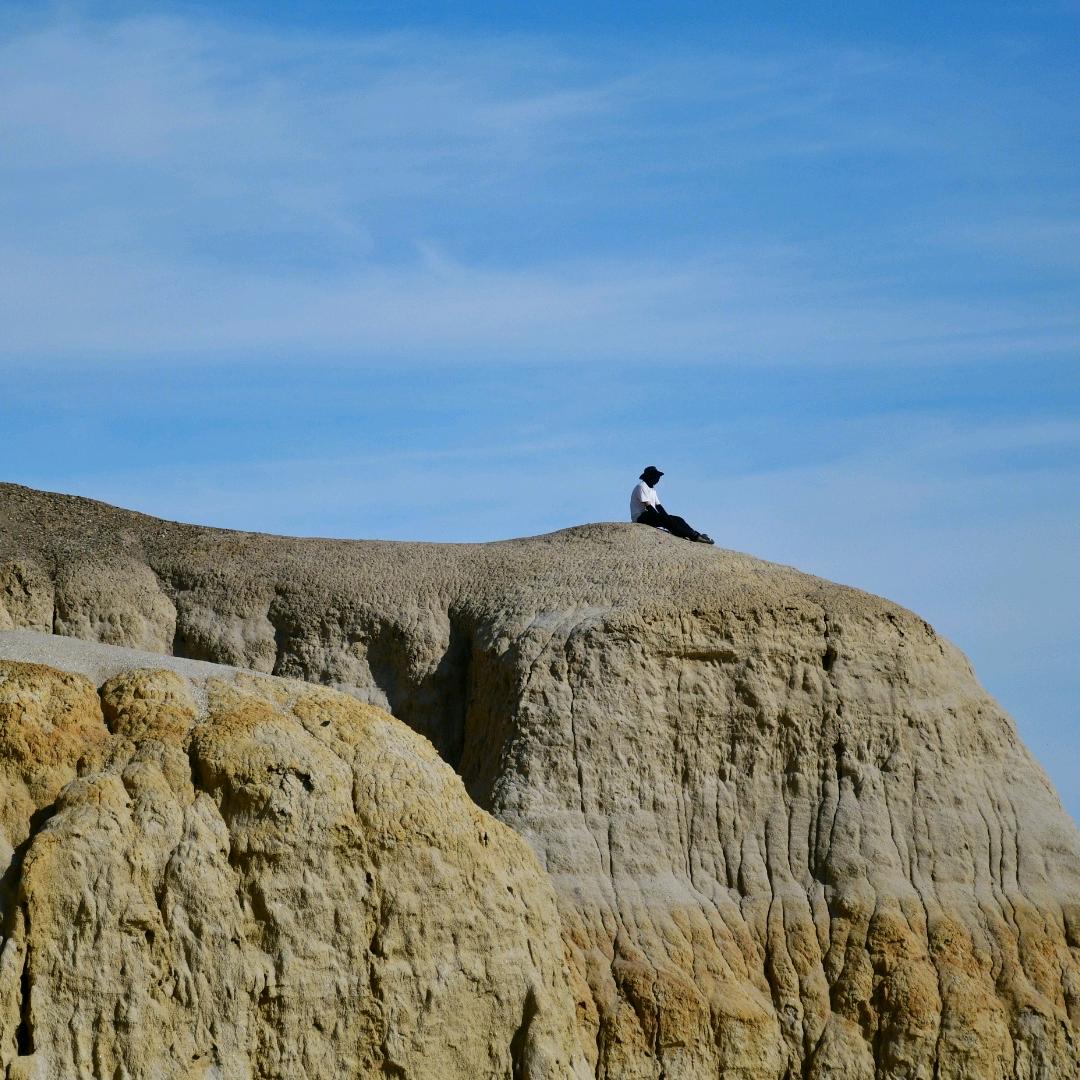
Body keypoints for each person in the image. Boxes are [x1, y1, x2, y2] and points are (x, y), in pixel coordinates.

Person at [630, 466, 714, 544]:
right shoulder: (641, 486)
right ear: (650, 477)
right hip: (640, 517)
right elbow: (648, 506)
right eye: (656, 476)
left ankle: (695, 534)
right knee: (667, 521)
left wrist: (666, 517)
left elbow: (658, 506)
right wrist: (662, 518)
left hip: (649, 514)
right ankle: (695, 537)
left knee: (677, 519)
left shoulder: (652, 488)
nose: (658, 478)